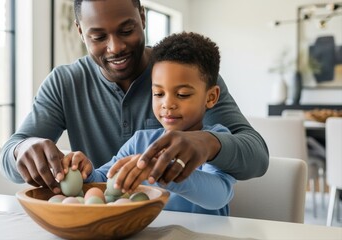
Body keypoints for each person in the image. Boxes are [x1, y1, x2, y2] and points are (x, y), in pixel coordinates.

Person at [0, 0, 268, 194]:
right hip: (106, 222)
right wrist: (22, 149)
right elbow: (10, 157)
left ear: (142, 17)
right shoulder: (64, 82)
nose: (115, 47)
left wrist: (208, 144)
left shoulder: (185, 75)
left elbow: (257, 157)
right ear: (81, 32)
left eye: (126, 31)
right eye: (98, 36)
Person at [67, 31, 235, 215]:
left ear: (211, 97)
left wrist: (162, 171)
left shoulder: (215, 142)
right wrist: (85, 172)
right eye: (158, 94)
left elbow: (219, 196)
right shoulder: (140, 142)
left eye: (182, 95)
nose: (167, 104)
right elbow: (105, 179)